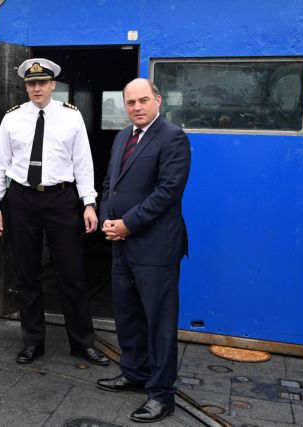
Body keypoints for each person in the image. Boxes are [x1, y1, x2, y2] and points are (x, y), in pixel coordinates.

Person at [0, 58, 109, 367]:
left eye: (42, 82)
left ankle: (82, 343)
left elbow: (83, 162)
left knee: (72, 273)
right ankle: (32, 343)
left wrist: (89, 202)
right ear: (26, 87)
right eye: (31, 83)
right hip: (22, 199)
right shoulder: (12, 118)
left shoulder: (71, 116)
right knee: (26, 274)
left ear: (53, 85)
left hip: (61, 199)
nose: (36, 88)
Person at [97, 78, 191, 423]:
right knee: (127, 315)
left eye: (143, 100)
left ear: (158, 101)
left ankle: (162, 394)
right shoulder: (123, 136)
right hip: (121, 244)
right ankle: (134, 373)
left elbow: (168, 192)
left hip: (156, 248)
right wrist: (107, 219)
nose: (136, 107)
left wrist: (128, 224)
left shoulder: (173, 137)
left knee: (159, 323)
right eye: (130, 102)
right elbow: (111, 184)